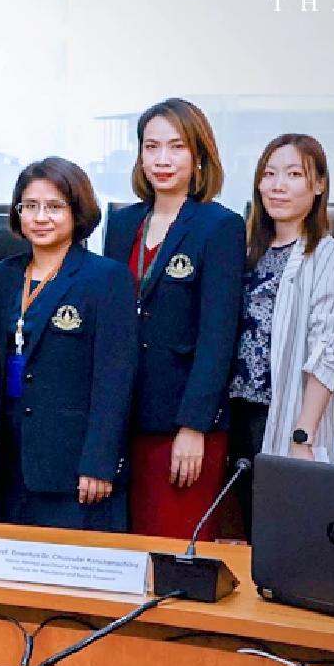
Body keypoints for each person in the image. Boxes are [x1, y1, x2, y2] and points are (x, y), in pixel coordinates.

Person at [102, 98, 245, 540]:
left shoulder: (219, 226)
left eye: (176, 147)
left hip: (183, 425)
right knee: (124, 555)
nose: (162, 159)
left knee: (174, 554)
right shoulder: (123, 223)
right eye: (151, 147)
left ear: (198, 154)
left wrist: (194, 425)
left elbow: (218, 336)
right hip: (123, 420)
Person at [0, 157, 139, 533]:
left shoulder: (105, 278)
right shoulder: (1, 275)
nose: (41, 217)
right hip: (11, 460)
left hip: (74, 466)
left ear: (78, 211)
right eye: (31, 206)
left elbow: (114, 380)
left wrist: (99, 463)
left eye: (55, 207)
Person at [224, 134, 334, 532]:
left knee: (286, 530)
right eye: (269, 174)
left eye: (294, 174)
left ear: (318, 185)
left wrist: (304, 434)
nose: (278, 185)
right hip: (234, 412)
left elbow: (329, 353)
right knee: (244, 527)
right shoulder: (246, 249)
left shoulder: (331, 258)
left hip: (284, 413)